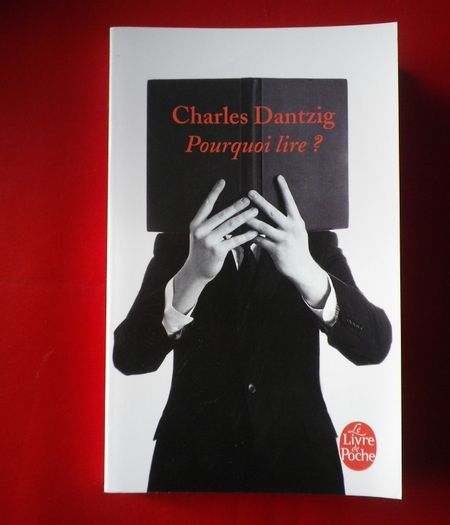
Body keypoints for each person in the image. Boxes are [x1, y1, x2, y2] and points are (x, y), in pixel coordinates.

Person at [113, 175, 392, 494]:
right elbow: (129, 356)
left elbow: (374, 346)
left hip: (300, 468)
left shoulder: (310, 239)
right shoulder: (184, 240)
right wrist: (192, 275)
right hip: (193, 466)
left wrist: (306, 271)